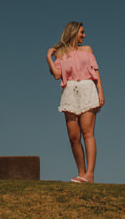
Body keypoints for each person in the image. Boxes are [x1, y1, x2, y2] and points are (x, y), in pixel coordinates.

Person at [47, 21, 105, 183]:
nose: (84, 35)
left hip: (87, 88)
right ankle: (81, 173)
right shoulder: (61, 53)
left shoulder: (87, 50)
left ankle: (90, 174)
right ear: (73, 33)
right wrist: (49, 58)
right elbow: (57, 75)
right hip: (70, 91)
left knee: (88, 133)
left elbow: (95, 72)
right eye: (81, 32)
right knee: (73, 136)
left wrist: (101, 92)